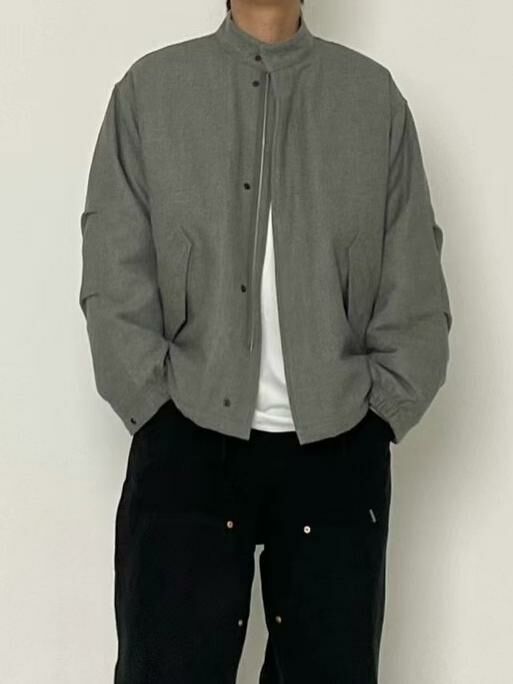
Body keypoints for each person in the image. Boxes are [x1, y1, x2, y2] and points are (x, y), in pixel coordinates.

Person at [79, 1, 453, 682]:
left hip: (337, 448)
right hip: (186, 436)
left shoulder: (371, 100)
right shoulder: (150, 92)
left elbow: (415, 281)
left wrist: (378, 417)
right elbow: (113, 271)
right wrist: (154, 408)